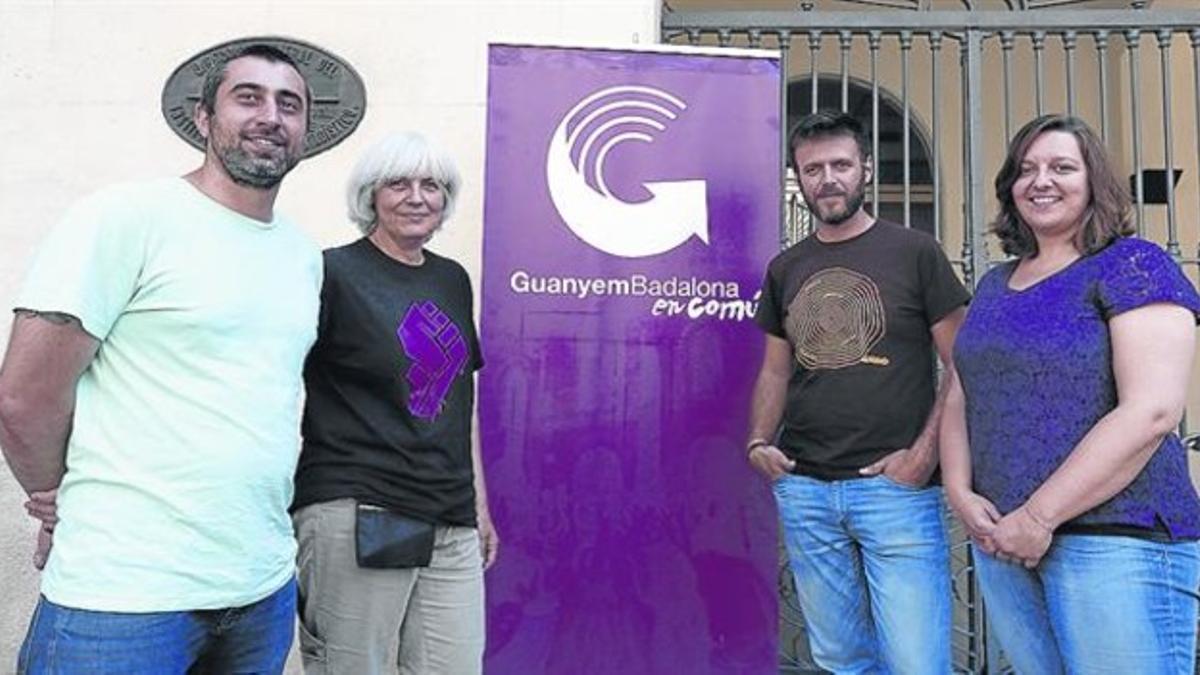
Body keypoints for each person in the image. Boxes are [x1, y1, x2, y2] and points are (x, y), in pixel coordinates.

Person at [0, 44, 320, 672]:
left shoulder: (301, 254)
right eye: (248, 96)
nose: (271, 116)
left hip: (259, 590)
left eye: (290, 104)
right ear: (203, 118)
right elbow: (23, 395)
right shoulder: (125, 218)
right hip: (124, 596)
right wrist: (51, 492)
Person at [941, 114, 1200, 674]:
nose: (1042, 180)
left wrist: (1038, 517)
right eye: (1027, 169)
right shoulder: (994, 282)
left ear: (1093, 182)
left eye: (1062, 167)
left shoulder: (1133, 264)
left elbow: (1152, 411)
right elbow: (961, 391)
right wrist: (960, 492)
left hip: (1117, 541)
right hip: (1004, 541)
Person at [746, 110, 968, 673]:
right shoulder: (785, 268)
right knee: (842, 659)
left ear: (865, 169)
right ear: (798, 177)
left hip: (894, 490)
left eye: (841, 164)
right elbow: (775, 370)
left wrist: (922, 458)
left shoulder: (916, 252)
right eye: (812, 168)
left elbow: (964, 363)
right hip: (806, 488)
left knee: (916, 661)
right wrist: (757, 443)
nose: (828, 179)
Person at [291, 131, 497, 675]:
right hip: (361, 505)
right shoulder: (331, 273)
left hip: (448, 513)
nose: (416, 197)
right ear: (370, 196)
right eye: (398, 183)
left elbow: (459, 399)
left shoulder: (452, 279)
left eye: (431, 185)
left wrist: (478, 504)